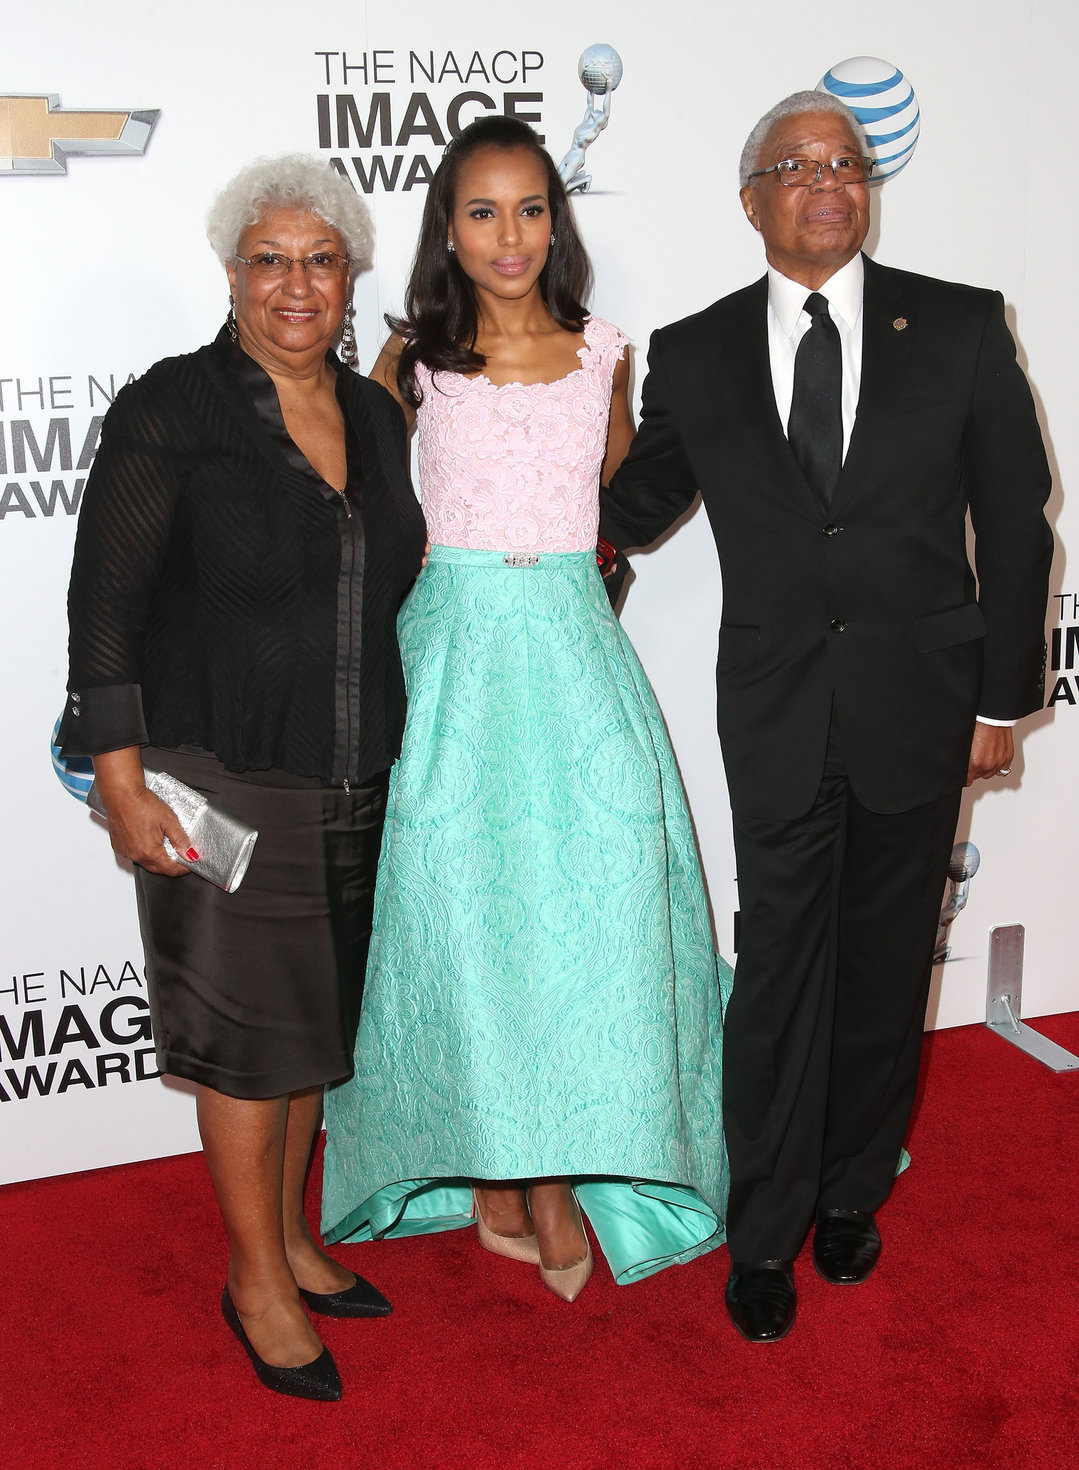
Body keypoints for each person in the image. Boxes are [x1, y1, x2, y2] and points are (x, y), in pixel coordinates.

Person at [600, 91, 1054, 1341]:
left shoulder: (957, 326)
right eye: (794, 165)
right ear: (749, 199)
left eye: (845, 163)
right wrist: (566, 410)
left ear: (868, 189)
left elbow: (1016, 523)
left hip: (924, 705)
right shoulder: (695, 351)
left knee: (884, 968)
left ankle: (852, 1192)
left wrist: (1000, 698)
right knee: (777, 978)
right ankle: (762, 1232)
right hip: (778, 711)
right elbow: (631, 512)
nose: (824, 182)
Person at [321, 116, 729, 1301]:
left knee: (589, 920)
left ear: (557, 220)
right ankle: (489, 1169)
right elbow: (366, 511)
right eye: (482, 211)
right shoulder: (410, 357)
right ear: (446, 229)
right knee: (457, 919)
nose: (510, 235)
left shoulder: (603, 352)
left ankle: (553, 1178)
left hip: (570, 652)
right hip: (449, 656)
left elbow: (609, 508)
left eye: (531, 208)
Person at [57, 155, 427, 1398]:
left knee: (309, 1035)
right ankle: (254, 1278)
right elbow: (103, 607)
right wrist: (119, 782)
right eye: (270, 260)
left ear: (349, 277)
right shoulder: (173, 406)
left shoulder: (375, 414)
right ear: (231, 275)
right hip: (217, 772)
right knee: (245, 1043)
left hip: (352, 767)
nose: (296, 284)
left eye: (320, 261)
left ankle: (295, 1243)